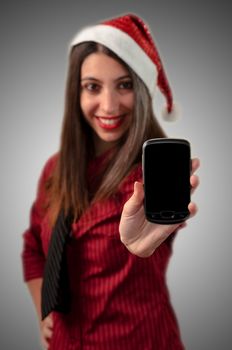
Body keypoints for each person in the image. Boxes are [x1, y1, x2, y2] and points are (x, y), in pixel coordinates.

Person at [21, 13, 200, 350]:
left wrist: (142, 243)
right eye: (93, 86)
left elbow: (154, 236)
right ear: (77, 92)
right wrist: (42, 309)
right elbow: (33, 246)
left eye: (124, 84)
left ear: (142, 91)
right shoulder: (54, 170)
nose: (108, 105)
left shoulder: (149, 179)